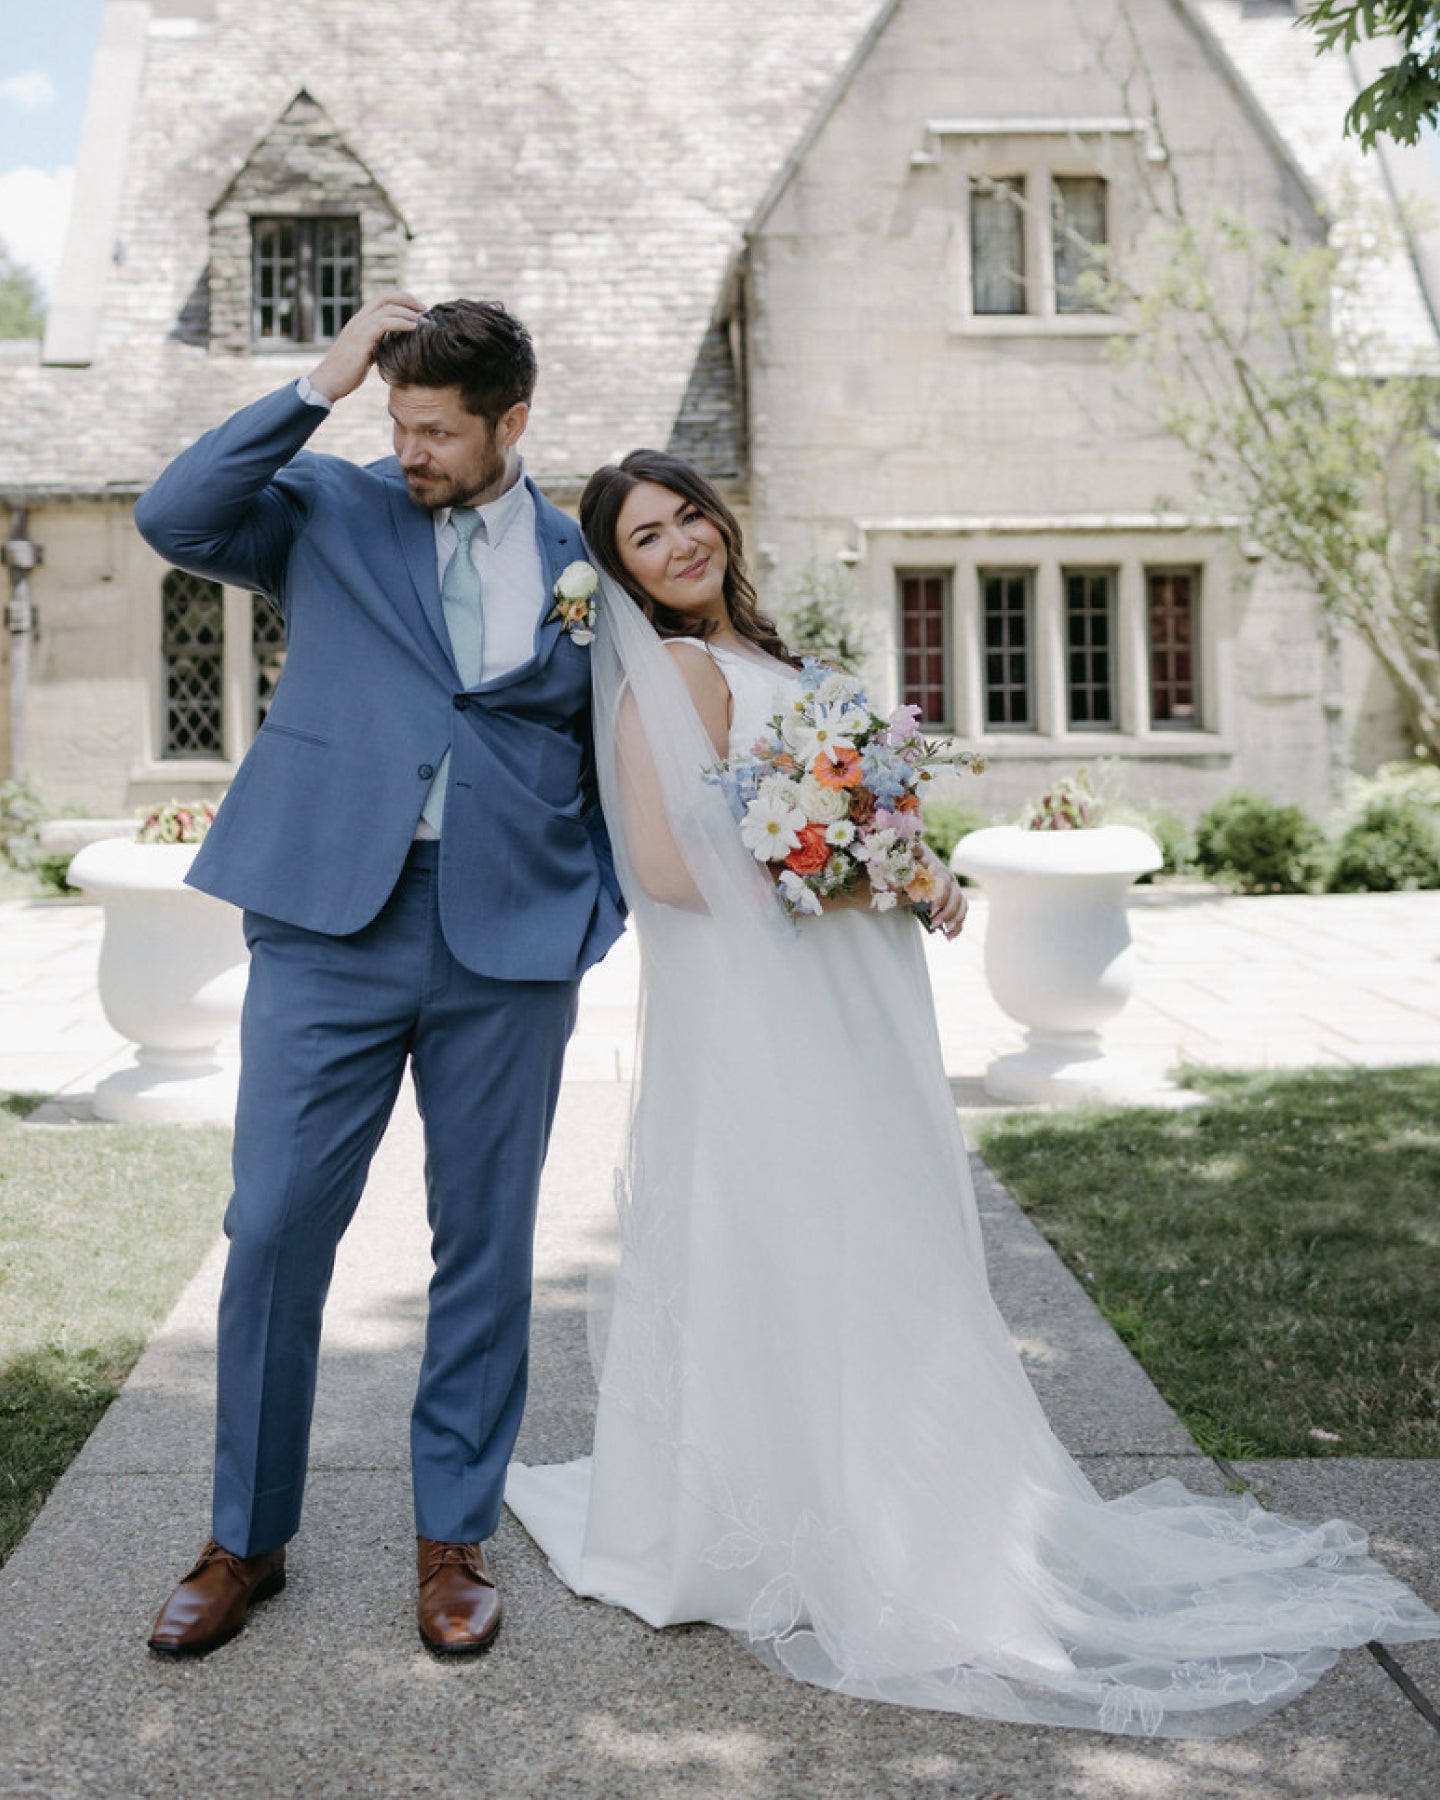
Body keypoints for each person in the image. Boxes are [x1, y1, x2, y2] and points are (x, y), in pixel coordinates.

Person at [504, 448, 1440, 1738]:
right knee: (806, 1228)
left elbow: (827, 809)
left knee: (880, 1227)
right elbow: (669, 869)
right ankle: (804, 1504)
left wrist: (908, 858)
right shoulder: (674, 672)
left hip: (848, 990)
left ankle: (925, 1477)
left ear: (721, 523)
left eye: (688, 519)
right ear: (619, 572)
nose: (678, 546)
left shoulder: (779, 660)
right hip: (773, 1010)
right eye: (644, 538)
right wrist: (857, 880)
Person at [135, 295, 624, 1658]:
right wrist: (324, 379)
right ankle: (245, 1540)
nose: (410, 448)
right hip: (329, 922)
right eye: (398, 423)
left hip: (510, 943)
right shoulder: (328, 508)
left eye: (437, 431)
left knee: (484, 1244)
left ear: (510, 424)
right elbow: (173, 517)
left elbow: (625, 745)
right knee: (276, 1221)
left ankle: (450, 1538)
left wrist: (600, 901)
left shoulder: (586, 563)